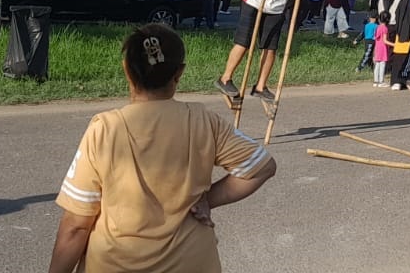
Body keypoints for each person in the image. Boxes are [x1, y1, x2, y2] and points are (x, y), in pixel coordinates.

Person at [49, 24, 277, 273]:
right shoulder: (203, 120)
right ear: (179, 73)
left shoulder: (105, 129)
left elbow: (76, 226)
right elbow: (262, 166)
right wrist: (207, 200)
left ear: (126, 69)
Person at [369, 12, 391, 87]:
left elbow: (376, 38)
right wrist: (394, 44)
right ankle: (381, 82)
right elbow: (385, 41)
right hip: (383, 49)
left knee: (377, 65)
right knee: (382, 65)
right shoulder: (385, 28)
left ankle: (375, 81)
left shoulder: (378, 27)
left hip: (377, 48)